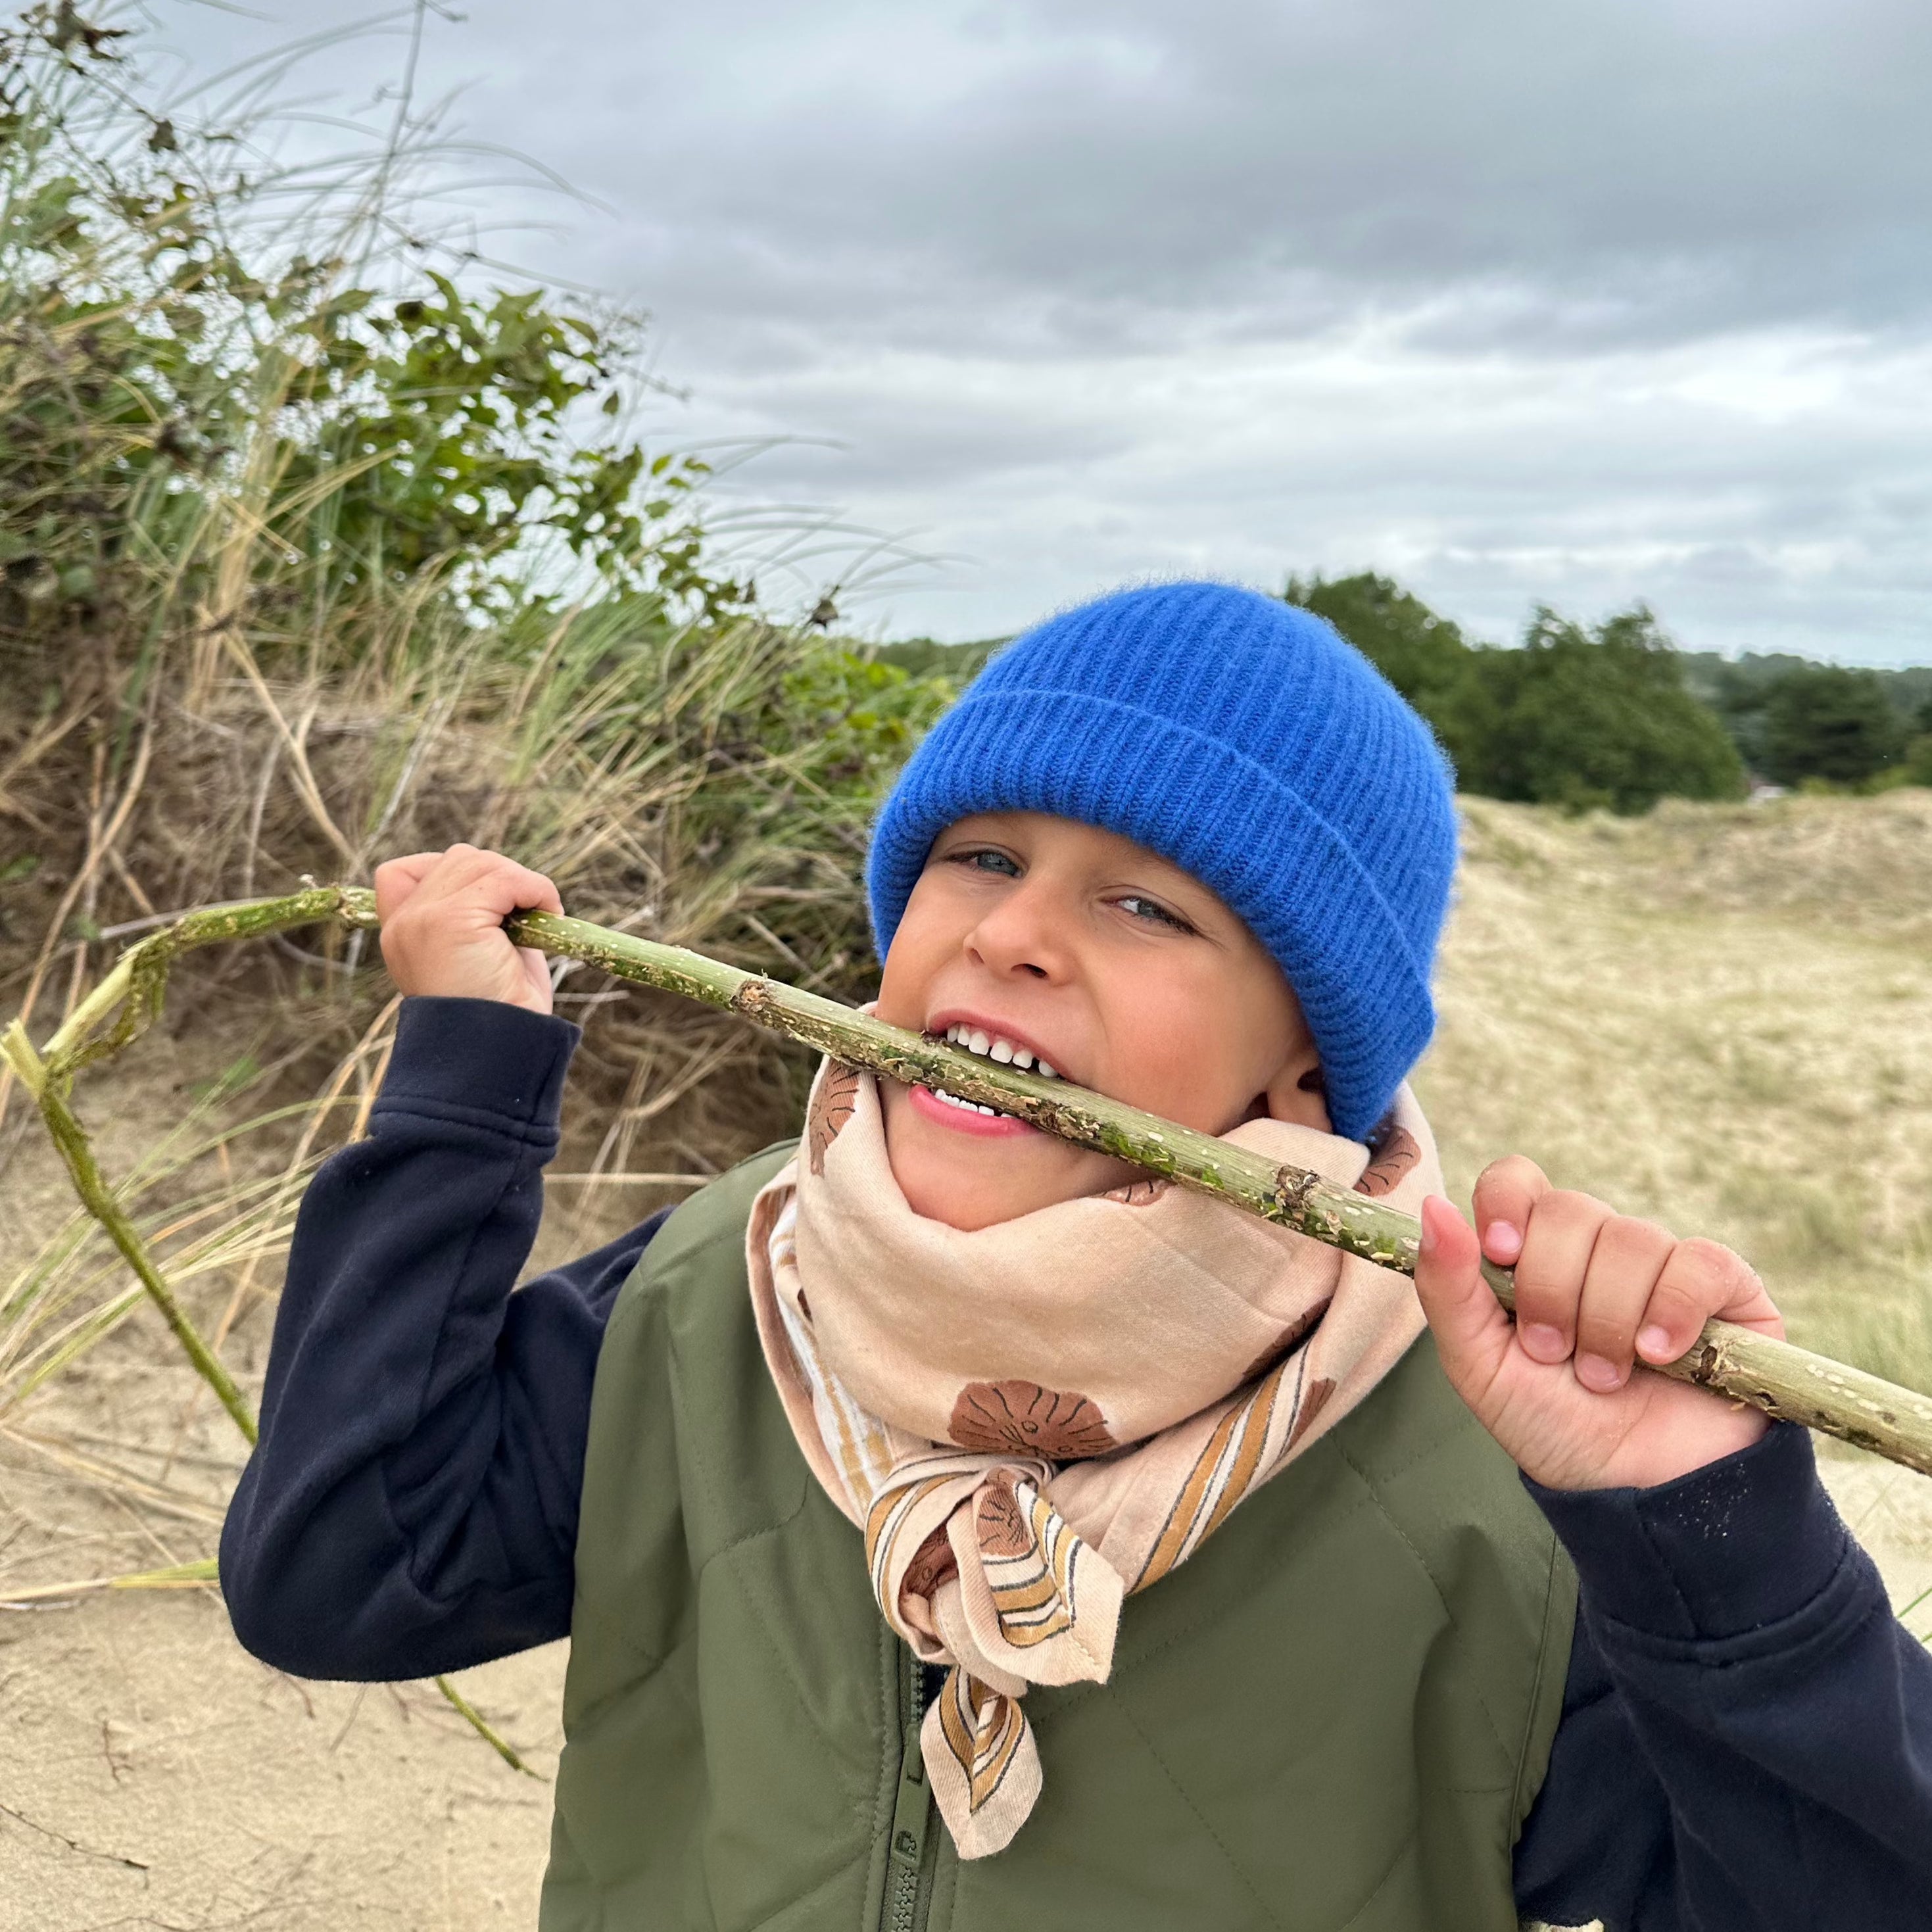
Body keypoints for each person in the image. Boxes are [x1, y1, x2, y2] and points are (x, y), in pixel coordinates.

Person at [220, 583, 1932, 1931]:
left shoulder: (1481, 1461)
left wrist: (1712, 1545)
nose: (1013, 932)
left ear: (1298, 1069)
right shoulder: (725, 1285)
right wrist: (461, 1091)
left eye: (1146, 905)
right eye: (978, 856)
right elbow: (340, 1575)